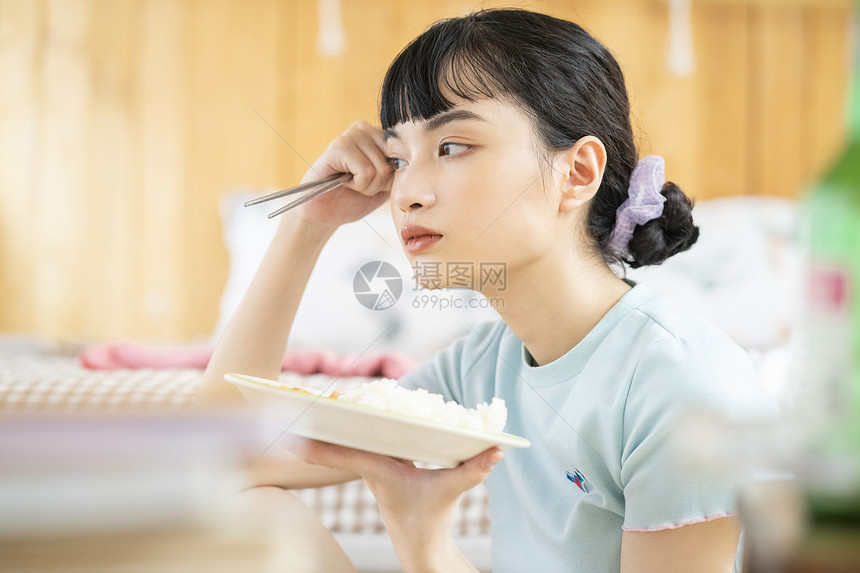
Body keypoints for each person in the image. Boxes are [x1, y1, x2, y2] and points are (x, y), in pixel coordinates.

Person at [197, 9, 777, 573]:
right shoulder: (481, 366)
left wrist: (425, 544)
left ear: (576, 172)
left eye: (452, 146)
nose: (407, 194)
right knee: (252, 513)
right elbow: (217, 463)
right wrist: (307, 226)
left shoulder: (681, 386)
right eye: (398, 158)